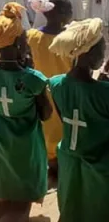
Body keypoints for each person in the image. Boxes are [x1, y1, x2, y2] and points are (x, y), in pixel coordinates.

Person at [0, 2, 51, 222]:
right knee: (20, 207)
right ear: (20, 42)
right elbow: (45, 114)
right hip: (26, 149)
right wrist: (31, 67)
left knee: (0, 204)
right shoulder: (33, 79)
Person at [48, 18, 109, 222]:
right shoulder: (104, 92)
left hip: (69, 158)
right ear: (90, 54)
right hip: (100, 163)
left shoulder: (55, 84)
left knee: (72, 206)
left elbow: (69, 115)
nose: (104, 54)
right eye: (102, 49)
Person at [26, 0, 73, 175]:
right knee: (65, 127)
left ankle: (50, 161)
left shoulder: (32, 36)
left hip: (42, 92)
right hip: (67, 92)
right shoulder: (72, 38)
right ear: (60, 13)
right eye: (69, 10)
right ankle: (63, 162)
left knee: (46, 128)